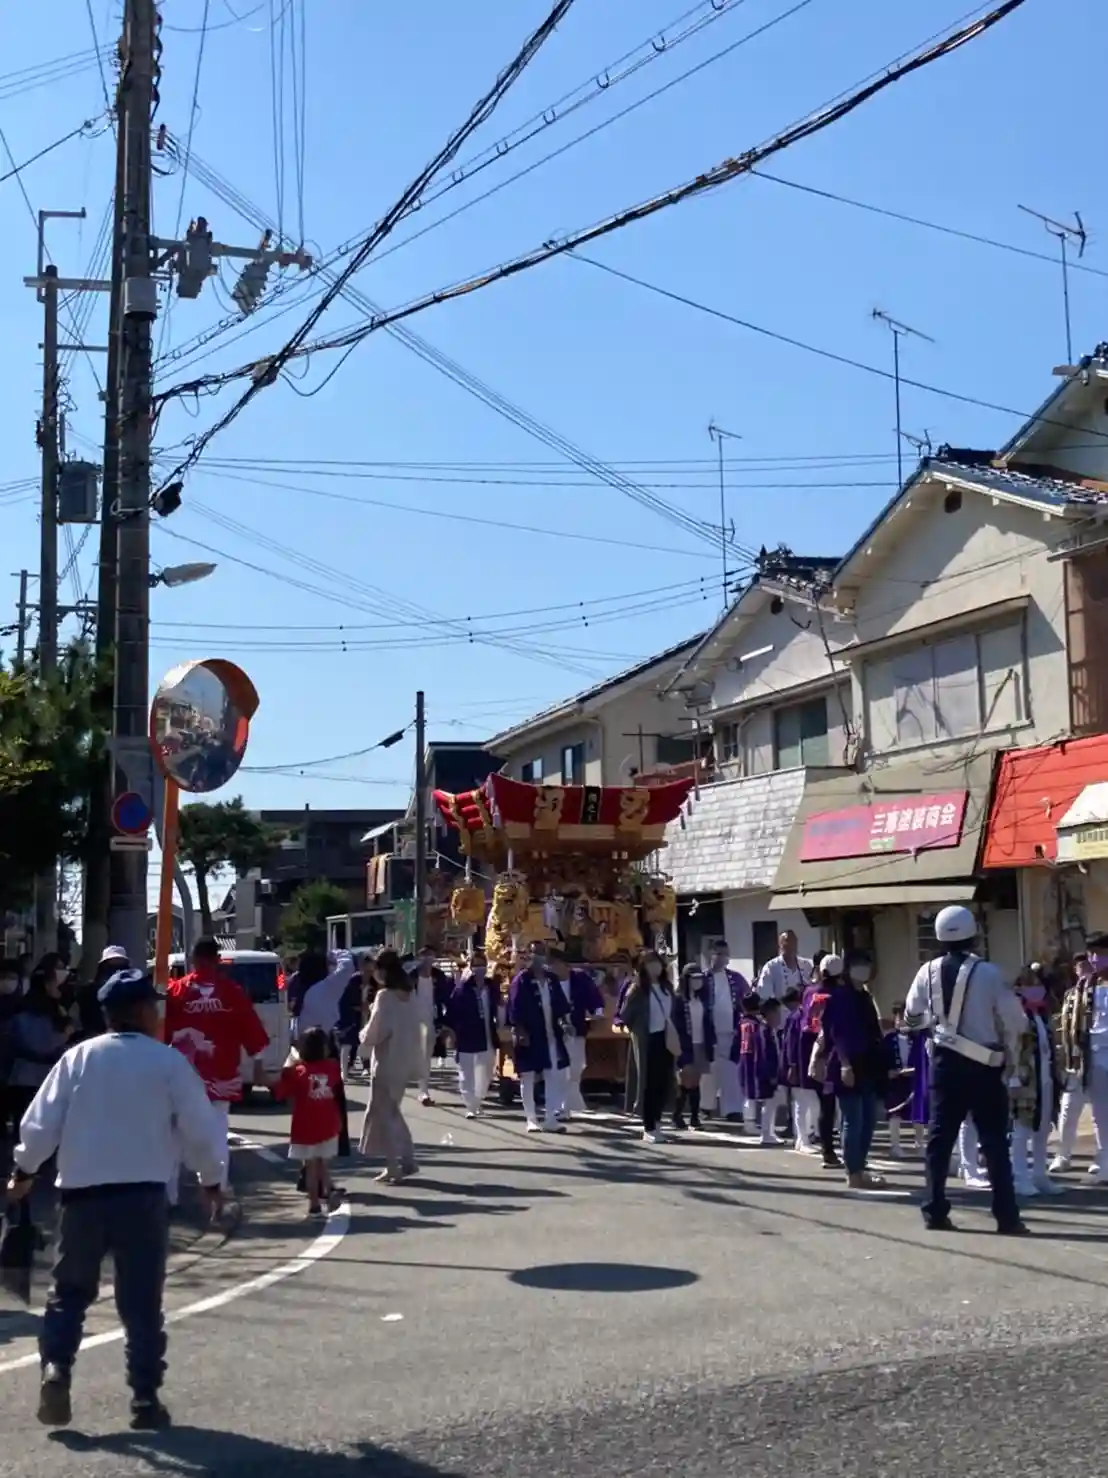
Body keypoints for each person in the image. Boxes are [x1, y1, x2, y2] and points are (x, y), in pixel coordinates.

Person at [6, 967, 226, 1431]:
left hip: (80, 1195)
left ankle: (57, 1368)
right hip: (142, 1196)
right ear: (143, 1011)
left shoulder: (78, 1058)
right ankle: (145, 1399)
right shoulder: (167, 1063)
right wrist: (211, 1179)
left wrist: (24, 1171)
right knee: (141, 1301)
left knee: (69, 1293)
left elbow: (40, 1124)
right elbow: (200, 1129)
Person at [904, 903, 1029, 1235]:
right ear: (974, 934)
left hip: (944, 1064)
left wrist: (936, 1025)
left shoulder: (926, 972)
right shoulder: (989, 973)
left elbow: (911, 1017)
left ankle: (934, 1210)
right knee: (994, 1142)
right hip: (984, 1066)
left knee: (939, 1140)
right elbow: (1016, 1021)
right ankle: (1006, 1216)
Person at [163, 937, 270, 1209]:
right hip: (222, 1075)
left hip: (182, 1077)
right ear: (217, 959)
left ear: (193, 959)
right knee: (217, 1133)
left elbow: (162, 1032)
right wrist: (258, 1063)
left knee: (174, 1135)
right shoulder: (231, 992)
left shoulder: (176, 991)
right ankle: (217, 1190)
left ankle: (169, 1197)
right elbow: (251, 1028)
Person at [358, 950, 423, 1182]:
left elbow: (375, 1032)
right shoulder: (410, 994)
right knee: (392, 1112)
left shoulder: (385, 996)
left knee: (383, 1115)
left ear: (383, 970)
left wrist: (363, 1033)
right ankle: (407, 1159)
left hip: (386, 1061)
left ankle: (393, 1165)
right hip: (404, 1060)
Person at [822, 956, 887, 1189]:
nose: (863, 970)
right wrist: (845, 1064)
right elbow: (836, 1032)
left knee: (869, 1120)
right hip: (848, 1062)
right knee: (853, 1120)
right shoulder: (840, 997)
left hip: (868, 1064)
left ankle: (860, 1166)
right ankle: (854, 1172)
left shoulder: (865, 997)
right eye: (859, 965)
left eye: (867, 965)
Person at [274, 1026, 342, 1219]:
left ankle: (314, 1205)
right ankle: (329, 1191)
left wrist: (289, 1066)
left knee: (310, 1166)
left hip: (305, 1127)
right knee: (322, 1162)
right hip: (328, 1124)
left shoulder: (298, 1073)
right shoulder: (332, 1068)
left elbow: (280, 1092)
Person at [1010, 965, 1063, 1198]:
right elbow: (1011, 1047)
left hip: (1045, 1076)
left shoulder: (1042, 1014)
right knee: (1022, 1128)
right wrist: (1013, 1078)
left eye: (1040, 985)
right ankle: (1019, 1176)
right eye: (1031, 984)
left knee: (1042, 1128)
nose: (1036, 989)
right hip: (1024, 1078)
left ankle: (1040, 1175)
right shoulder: (1015, 1014)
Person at [507, 943, 570, 1134]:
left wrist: (566, 1023)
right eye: (536, 953)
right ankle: (531, 1118)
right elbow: (514, 1009)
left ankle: (551, 1118)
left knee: (553, 1075)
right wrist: (520, 1031)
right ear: (529, 955)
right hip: (529, 1034)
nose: (540, 957)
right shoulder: (521, 980)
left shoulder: (552, 979)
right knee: (528, 1076)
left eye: (543, 953)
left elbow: (561, 1005)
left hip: (551, 1034)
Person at [6, 959, 75, 1129]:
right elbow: (42, 1045)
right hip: (41, 1078)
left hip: (24, 1078)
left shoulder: (23, 1009)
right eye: (53, 984)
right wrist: (64, 1035)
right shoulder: (41, 1014)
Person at [619, 951, 679, 1144]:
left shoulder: (667, 987)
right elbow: (626, 1014)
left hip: (665, 1038)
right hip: (647, 1038)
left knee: (663, 1082)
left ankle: (657, 1124)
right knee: (647, 1083)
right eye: (649, 963)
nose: (655, 967)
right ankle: (649, 1127)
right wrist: (637, 1030)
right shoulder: (637, 989)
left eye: (657, 963)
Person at [1057, 946, 1105, 1179]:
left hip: (1099, 1058)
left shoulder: (1100, 990)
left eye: (1089, 962)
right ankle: (1062, 1154)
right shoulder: (1072, 994)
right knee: (1068, 1109)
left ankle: (1102, 1158)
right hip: (1076, 1059)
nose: (1086, 967)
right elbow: (1065, 1027)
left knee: (1100, 1111)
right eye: (1081, 965)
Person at [785, 957, 839, 1158]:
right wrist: (792, 1063)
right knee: (808, 1100)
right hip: (817, 1049)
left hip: (810, 1048)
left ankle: (810, 1137)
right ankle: (803, 1138)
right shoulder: (836, 993)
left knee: (816, 1102)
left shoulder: (810, 992)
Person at [546, 947, 604, 1116]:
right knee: (559, 1069)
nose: (552, 968)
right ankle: (561, 1106)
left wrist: (597, 1013)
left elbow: (594, 999)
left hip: (577, 1029)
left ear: (564, 964)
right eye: (550, 964)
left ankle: (571, 1102)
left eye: (555, 964)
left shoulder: (580, 978)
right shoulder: (548, 982)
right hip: (555, 1032)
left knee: (576, 1067)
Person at [446, 950, 501, 1118]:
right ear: (470, 967)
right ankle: (470, 1106)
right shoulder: (462, 989)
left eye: (482, 965)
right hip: (467, 1036)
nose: (479, 968)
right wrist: (452, 1033)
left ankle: (478, 1099)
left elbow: (499, 1007)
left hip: (487, 1035)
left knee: (486, 1072)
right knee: (467, 1074)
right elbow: (452, 1012)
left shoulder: (491, 987)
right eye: (476, 965)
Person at [703, 939, 748, 1121]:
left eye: (726, 954)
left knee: (732, 1070)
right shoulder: (702, 978)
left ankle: (733, 1109)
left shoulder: (736, 978)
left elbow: (747, 998)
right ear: (710, 955)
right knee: (709, 1071)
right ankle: (706, 1106)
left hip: (732, 1030)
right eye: (719, 954)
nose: (723, 958)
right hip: (709, 1032)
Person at [672, 963, 715, 1132]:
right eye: (694, 978)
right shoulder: (678, 1000)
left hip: (702, 1043)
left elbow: (708, 1023)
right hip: (685, 1045)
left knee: (696, 1081)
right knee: (686, 1079)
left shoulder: (703, 999)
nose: (698, 982)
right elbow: (676, 1025)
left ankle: (693, 1117)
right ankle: (679, 1114)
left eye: (700, 978)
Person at [739, 997, 786, 1145]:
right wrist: (771, 1073)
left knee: (771, 1103)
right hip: (766, 1073)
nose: (779, 1017)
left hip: (769, 1072)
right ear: (770, 1014)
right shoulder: (764, 1030)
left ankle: (769, 1132)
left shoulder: (769, 1030)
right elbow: (764, 1054)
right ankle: (766, 1133)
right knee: (769, 1103)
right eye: (777, 1013)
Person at [411, 945, 450, 1106]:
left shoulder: (439, 976)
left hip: (432, 1021)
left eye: (431, 955)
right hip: (413, 1021)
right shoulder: (411, 976)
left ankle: (423, 1089)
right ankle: (421, 1089)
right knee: (419, 1055)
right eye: (424, 955)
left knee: (426, 1055)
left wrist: (445, 1022)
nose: (428, 959)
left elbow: (445, 998)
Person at [74, 945, 129, 1040]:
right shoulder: (88, 991)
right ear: (102, 968)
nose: (117, 971)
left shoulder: (133, 993)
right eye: (111, 966)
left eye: (121, 967)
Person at [757, 930, 814, 1001]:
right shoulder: (771, 967)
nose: (791, 945)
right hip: (780, 1007)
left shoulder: (806, 965)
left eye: (794, 941)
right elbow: (764, 995)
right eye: (787, 941)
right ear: (780, 945)